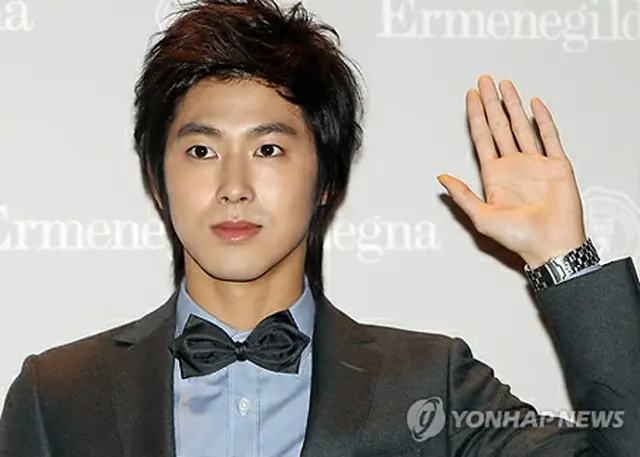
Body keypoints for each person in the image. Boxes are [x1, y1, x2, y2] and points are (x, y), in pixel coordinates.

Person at [1, 1, 639, 456]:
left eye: (269, 149)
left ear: (326, 178)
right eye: (201, 150)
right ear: (156, 179)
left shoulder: (432, 384)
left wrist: (565, 259)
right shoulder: (57, 396)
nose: (233, 185)